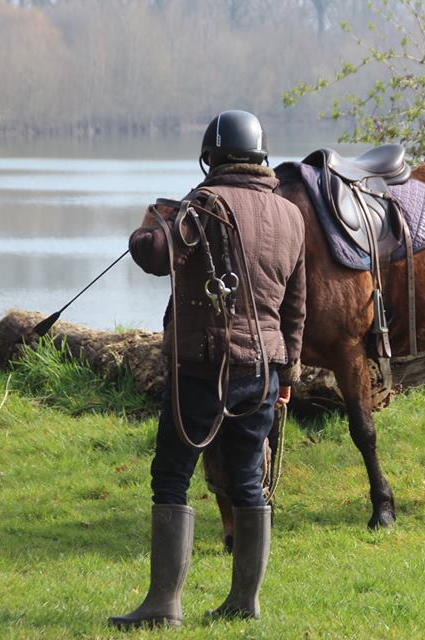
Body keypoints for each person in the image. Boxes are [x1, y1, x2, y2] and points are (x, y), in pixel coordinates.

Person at [109, 110, 306, 629]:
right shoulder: (291, 215)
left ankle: (163, 606)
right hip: (262, 368)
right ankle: (245, 602)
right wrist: (287, 376)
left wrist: (148, 225)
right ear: (260, 155)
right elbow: (295, 308)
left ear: (212, 155)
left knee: (171, 476)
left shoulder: (204, 205)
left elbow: (155, 257)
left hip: (203, 367)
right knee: (247, 480)